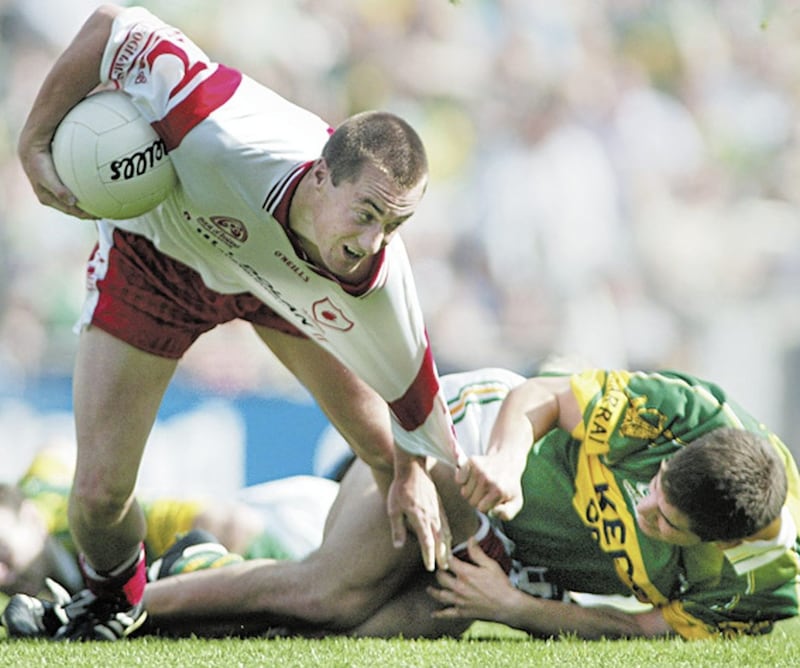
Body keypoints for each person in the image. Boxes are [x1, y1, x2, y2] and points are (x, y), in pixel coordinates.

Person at [15, 4, 504, 640]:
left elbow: (415, 397)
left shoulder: (375, 274)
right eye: (367, 214)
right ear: (323, 174)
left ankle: (408, 582)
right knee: (100, 498)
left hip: (283, 284)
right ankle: (114, 600)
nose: (375, 240)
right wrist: (33, 141)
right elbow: (112, 26)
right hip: (158, 259)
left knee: (386, 457)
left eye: (394, 225)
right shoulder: (220, 126)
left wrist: (409, 474)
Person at [9, 367, 796, 640]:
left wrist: (512, 609)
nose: (644, 508)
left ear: (720, 545)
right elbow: (546, 396)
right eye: (651, 489)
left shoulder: (762, 584)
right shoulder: (689, 415)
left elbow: (650, 629)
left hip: (519, 562)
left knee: (353, 628)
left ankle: (198, 573)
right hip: (471, 448)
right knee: (325, 591)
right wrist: (509, 464)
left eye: (663, 524)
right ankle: (94, 608)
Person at [0, 444, 340, 599]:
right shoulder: (32, 498)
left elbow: (229, 526)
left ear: (32, 519)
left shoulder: (86, 520)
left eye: (2, 551)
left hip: (294, 525)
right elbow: (53, 454)